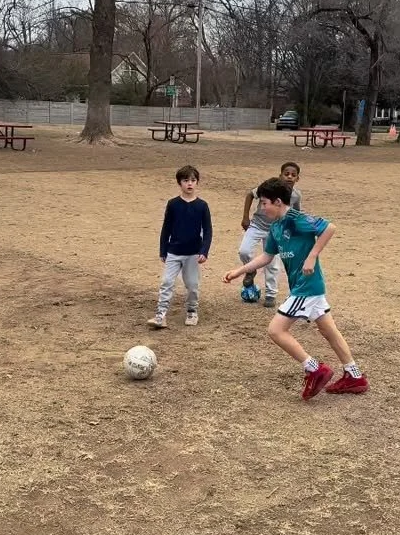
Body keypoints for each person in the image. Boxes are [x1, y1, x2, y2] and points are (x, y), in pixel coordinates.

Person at [224, 177, 368, 399]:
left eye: (264, 203)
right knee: (329, 331)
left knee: (276, 330)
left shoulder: (296, 219)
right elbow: (267, 256)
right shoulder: (276, 227)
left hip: (306, 286)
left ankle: (315, 369)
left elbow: (329, 227)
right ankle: (354, 375)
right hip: (309, 287)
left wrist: (312, 256)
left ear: (278, 201)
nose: (262, 208)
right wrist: (239, 271)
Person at [148, 164, 212, 329]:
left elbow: (208, 230)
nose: (189, 183)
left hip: (193, 253)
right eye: (185, 180)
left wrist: (204, 251)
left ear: (197, 182)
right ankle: (161, 315)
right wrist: (163, 250)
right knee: (166, 282)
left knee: (192, 285)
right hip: (174, 252)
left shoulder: (202, 206)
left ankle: (192, 311)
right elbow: (166, 228)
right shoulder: (173, 204)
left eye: (193, 180)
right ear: (179, 183)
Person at [239, 161, 302, 308]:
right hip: (257, 224)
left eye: (293, 175)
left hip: (276, 229)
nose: (289, 177)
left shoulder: (296, 195)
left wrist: (292, 229)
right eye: (286, 174)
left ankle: (270, 294)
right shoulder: (270, 188)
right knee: (244, 251)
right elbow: (250, 195)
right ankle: (250, 270)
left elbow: (296, 212)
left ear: (297, 178)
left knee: (272, 263)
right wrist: (245, 217)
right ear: (280, 175)